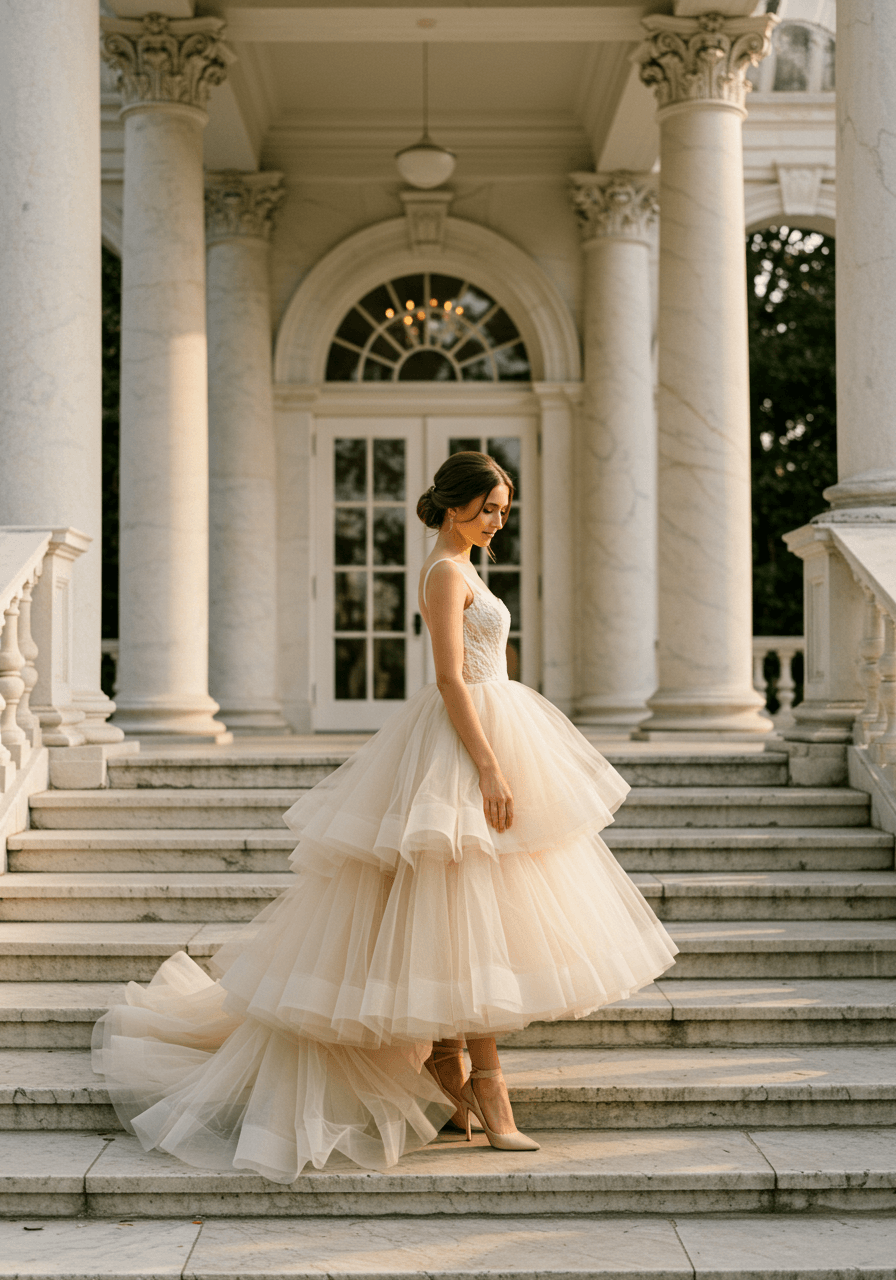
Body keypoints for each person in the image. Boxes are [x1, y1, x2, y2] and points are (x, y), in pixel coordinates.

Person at [93, 450, 677, 1182]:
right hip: (463, 742)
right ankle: (485, 1092)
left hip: (496, 723)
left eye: (506, 508)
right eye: (491, 507)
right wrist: (490, 765)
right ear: (457, 504)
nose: (500, 520)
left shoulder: (469, 567)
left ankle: (449, 1071)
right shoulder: (443, 573)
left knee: (477, 914)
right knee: (465, 908)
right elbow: (446, 676)